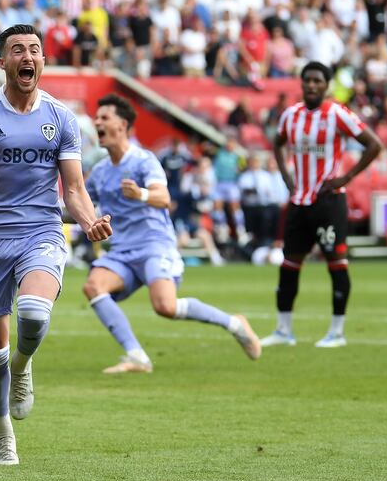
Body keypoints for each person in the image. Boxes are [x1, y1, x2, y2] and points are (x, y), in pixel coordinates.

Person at [0, 25, 112, 465]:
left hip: (41, 230)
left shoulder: (61, 118)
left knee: (34, 314)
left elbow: (74, 190)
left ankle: (23, 366)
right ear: (3, 62)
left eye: (35, 50)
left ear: (43, 61)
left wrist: (89, 220)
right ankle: (4, 433)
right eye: (18, 50)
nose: (28, 56)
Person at [82, 94, 260, 375]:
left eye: (105, 117)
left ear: (123, 124)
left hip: (155, 244)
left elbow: (164, 198)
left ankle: (234, 323)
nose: (97, 122)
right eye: (97, 118)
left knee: (165, 306)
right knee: (93, 286)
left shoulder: (143, 160)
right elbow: (79, 207)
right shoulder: (101, 172)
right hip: (122, 251)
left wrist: (140, 193)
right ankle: (137, 356)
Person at [263, 61, 383, 348]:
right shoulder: (290, 116)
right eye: (308, 80)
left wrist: (347, 176)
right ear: (301, 83)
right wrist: (286, 175)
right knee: (289, 264)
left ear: (327, 85)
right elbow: (277, 142)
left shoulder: (337, 114)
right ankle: (283, 330)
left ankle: (337, 332)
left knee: (336, 264)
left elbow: (374, 144)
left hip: (329, 201)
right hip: (299, 202)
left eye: (318, 81)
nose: (313, 85)